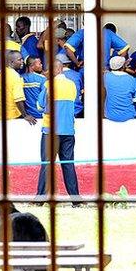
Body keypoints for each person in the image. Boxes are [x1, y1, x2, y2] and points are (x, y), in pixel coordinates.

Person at [36, 54, 80, 198]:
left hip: (50, 131)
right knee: (68, 164)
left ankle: (40, 197)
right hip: (68, 130)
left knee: (47, 164)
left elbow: (39, 106)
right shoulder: (72, 85)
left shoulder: (49, 85)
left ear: (57, 70)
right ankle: (75, 198)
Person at [0, 50, 38, 123]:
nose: (22, 62)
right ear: (11, 62)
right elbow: (18, 99)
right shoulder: (15, 76)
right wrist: (25, 115)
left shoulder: (1, 72)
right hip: (9, 117)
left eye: (22, 59)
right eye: (19, 60)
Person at [103, 56, 136, 121]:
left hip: (110, 115)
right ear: (122, 67)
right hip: (128, 115)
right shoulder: (131, 79)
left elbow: (106, 71)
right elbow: (134, 100)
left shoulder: (106, 76)